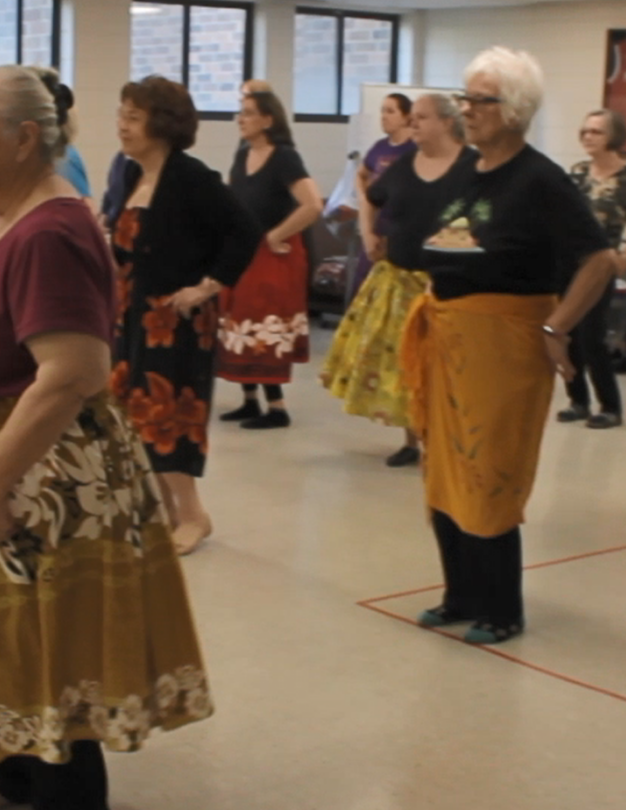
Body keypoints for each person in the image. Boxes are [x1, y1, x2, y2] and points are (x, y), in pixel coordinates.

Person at [0, 65, 212, 810]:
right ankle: (14, 774)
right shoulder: (10, 218)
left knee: (44, 651)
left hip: (35, 474)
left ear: (25, 137)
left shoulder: (52, 230)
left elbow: (73, 371)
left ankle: (64, 794)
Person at [399, 47, 614, 645]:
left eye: (480, 100)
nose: (468, 110)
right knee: (443, 469)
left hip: (505, 345)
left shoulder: (541, 179)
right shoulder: (468, 169)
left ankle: (502, 608)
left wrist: (557, 327)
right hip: (449, 338)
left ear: (514, 110)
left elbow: (599, 260)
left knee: (489, 469)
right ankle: (459, 594)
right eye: (465, 98)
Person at [110, 76, 261, 555]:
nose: (123, 126)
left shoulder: (191, 177)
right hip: (131, 315)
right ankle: (167, 511)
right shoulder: (130, 174)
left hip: (175, 320)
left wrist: (208, 286)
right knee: (134, 413)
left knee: (168, 416)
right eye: (123, 115)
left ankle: (193, 514)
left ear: (162, 124)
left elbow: (243, 232)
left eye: (133, 118)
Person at [321, 93, 471, 467]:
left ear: (447, 123)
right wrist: (369, 234)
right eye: (413, 117)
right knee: (404, 363)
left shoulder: (472, 166)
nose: (413, 124)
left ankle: (446, 438)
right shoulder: (404, 165)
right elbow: (372, 197)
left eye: (422, 117)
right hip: (400, 278)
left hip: (447, 284)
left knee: (446, 365)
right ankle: (412, 438)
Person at [216, 89, 324, 430]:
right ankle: (249, 400)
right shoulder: (243, 155)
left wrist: (275, 235)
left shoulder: (284, 158)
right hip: (244, 250)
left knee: (263, 321)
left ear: (267, 120)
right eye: (241, 112)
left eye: (248, 113)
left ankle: (276, 407)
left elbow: (312, 204)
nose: (241, 119)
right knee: (240, 320)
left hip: (273, 255)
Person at [562, 108, 626, 429]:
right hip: (567, 262)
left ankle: (609, 405)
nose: (588, 137)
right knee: (567, 334)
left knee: (592, 336)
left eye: (596, 132)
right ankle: (577, 400)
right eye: (585, 131)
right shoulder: (577, 174)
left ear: (613, 138)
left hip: (601, 264)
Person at [347, 92, 416, 293]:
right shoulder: (379, 147)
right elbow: (361, 174)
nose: (384, 116)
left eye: (390, 111)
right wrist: (362, 197)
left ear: (406, 117)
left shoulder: (413, 149)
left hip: (398, 227)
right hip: (375, 222)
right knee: (364, 284)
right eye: (382, 111)